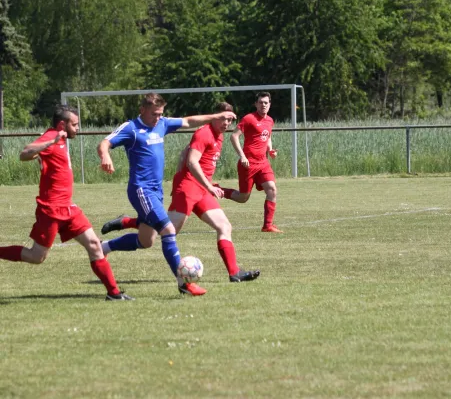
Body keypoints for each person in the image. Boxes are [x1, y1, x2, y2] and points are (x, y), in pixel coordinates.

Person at [100, 102, 260, 283]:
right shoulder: (204, 133)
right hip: (189, 189)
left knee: (224, 227)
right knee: (163, 233)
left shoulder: (219, 135)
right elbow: (192, 162)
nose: (227, 124)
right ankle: (124, 225)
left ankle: (234, 272)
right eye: (223, 118)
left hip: (202, 189)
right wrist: (192, 184)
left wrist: (191, 181)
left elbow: (184, 154)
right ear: (214, 116)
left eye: (231, 120)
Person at [0, 105, 133, 301]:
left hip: (68, 207)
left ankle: (114, 293)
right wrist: (50, 142)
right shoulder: (52, 136)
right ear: (62, 124)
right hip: (51, 209)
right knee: (37, 257)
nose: (78, 128)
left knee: (95, 245)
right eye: (75, 124)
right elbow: (24, 153)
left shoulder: (60, 138)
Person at [219, 92, 283, 233]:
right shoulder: (249, 118)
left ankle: (267, 225)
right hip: (248, 164)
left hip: (263, 163)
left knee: (272, 189)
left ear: (270, 104)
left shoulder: (270, 121)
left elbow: (267, 137)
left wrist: (271, 150)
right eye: (260, 102)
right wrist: (242, 156)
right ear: (256, 104)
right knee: (243, 198)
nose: (263, 105)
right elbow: (234, 137)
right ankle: (218, 190)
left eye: (266, 102)